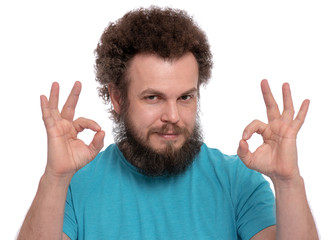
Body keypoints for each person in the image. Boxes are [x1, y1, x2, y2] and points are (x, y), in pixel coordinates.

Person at [18, 6, 318, 240]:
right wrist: (55, 178)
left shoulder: (237, 181)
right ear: (118, 98)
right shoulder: (73, 186)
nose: (173, 116)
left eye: (185, 97)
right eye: (153, 98)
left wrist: (288, 182)